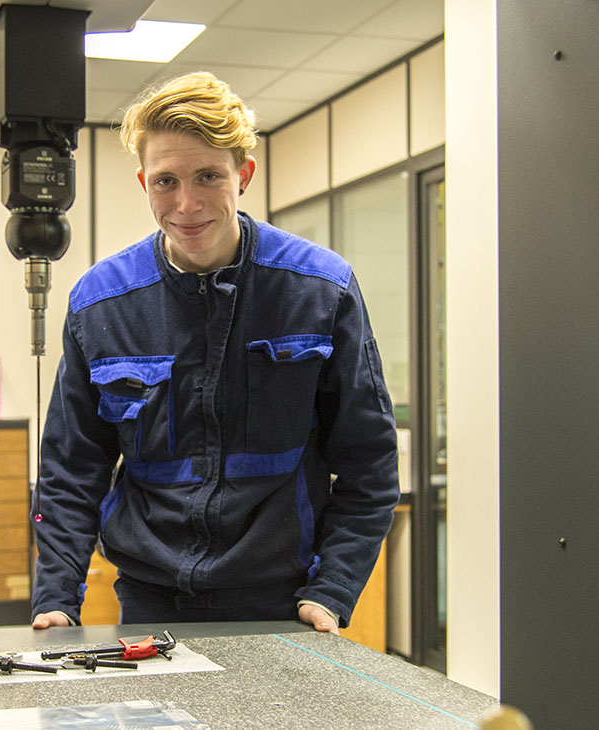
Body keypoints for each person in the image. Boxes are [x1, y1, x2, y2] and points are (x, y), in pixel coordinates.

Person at [31, 72, 400, 633]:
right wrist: (56, 596)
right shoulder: (102, 304)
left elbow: (369, 462)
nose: (186, 203)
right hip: (150, 602)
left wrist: (334, 589)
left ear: (243, 174)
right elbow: (73, 468)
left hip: (288, 603)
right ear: (143, 183)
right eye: (165, 181)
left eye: (208, 176)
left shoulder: (320, 290)